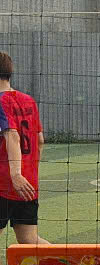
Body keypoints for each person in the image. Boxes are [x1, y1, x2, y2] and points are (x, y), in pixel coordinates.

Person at [0, 52, 46, 244]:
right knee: (29, 240)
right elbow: (40, 140)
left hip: (4, 183)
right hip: (28, 185)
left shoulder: (0, 101)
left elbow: (12, 135)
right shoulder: (28, 100)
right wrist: (28, 171)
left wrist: (16, 174)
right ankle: (71, 261)